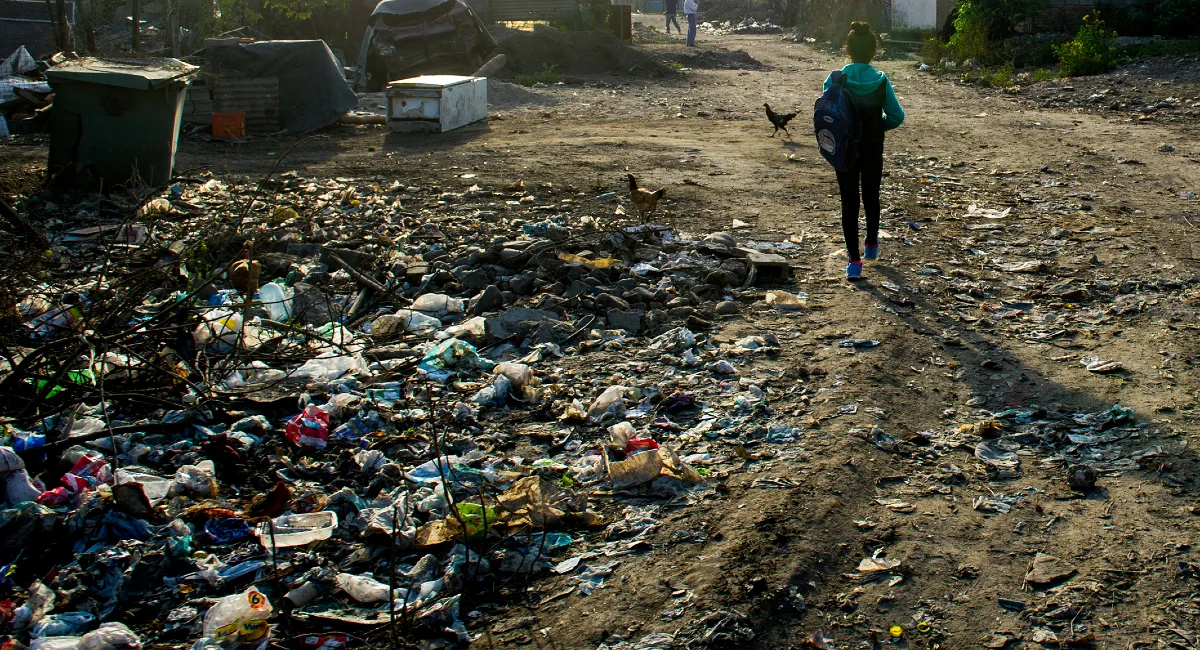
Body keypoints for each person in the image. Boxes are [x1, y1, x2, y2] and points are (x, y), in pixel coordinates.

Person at [823, 21, 905, 281]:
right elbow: (897, 115)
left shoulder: (836, 79)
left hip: (844, 149)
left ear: (848, 50)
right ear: (874, 51)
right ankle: (871, 245)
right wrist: (878, 125)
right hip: (872, 145)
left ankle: (853, 262)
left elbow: (826, 110)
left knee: (849, 201)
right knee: (871, 195)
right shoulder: (881, 81)